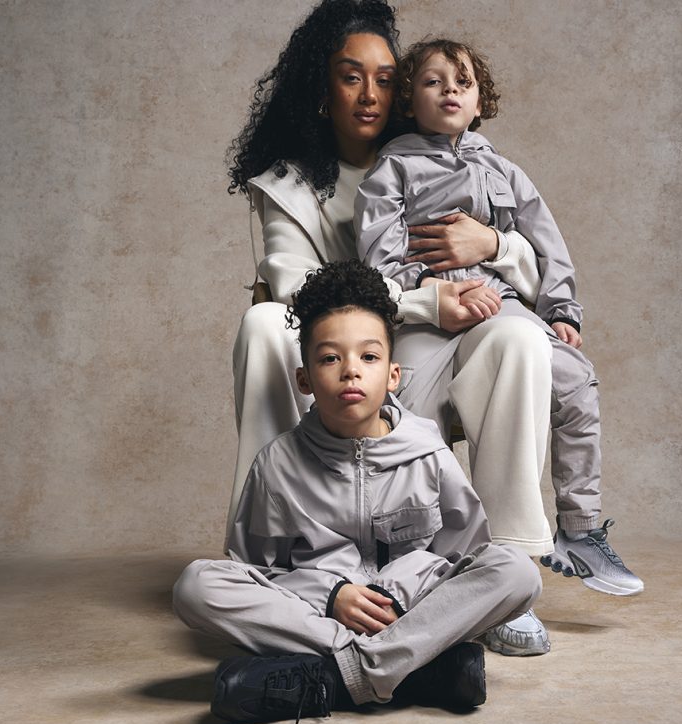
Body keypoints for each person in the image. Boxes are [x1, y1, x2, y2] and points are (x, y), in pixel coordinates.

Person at [226, 0, 556, 654]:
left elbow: (535, 260)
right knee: (264, 322)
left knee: (519, 337)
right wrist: (424, 304)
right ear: (321, 89)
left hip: (430, 356)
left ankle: (503, 568)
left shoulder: (443, 150)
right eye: (351, 77)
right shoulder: (287, 185)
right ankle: (269, 563)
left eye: (384, 78)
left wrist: (491, 242)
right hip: (343, 362)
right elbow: (293, 287)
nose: (370, 94)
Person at [173, 261, 542, 724]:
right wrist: (333, 594)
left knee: (517, 571)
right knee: (196, 585)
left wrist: (397, 594)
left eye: (369, 358)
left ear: (393, 375)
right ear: (304, 380)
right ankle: (404, 670)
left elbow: (462, 557)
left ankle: (337, 676)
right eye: (330, 359)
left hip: (408, 611)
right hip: (322, 617)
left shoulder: (429, 454)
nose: (351, 371)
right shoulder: (276, 464)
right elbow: (257, 573)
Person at [356, 39, 643, 595]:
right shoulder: (392, 169)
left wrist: (561, 310)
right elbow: (377, 258)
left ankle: (579, 528)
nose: (450, 90)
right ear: (409, 100)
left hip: (502, 307)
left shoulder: (505, 171)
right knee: (408, 411)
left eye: (463, 82)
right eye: (433, 81)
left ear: (480, 100)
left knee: (576, 379)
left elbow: (548, 246)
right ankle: (424, 555)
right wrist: (430, 287)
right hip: (430, 316)